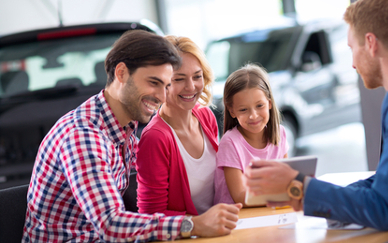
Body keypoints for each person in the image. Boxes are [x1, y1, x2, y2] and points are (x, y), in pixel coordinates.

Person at [245, 0, 388, 243]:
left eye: (352, 48)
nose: (352, 63)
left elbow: (384, 207)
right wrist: (315, 190)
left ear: (371, 43)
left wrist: (297, 187)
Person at [22, 30, 241, 242]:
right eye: (153, 83)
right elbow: (111, 224)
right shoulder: (84, 136)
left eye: (166, 86)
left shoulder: (125, 127)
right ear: (121, 73)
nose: (162, 97)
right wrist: (194, 225)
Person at [136, 35, 230, 216]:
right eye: (179, 79)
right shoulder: (155, 138)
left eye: (197, 76)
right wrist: (200, 224)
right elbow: (151, 216)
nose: (191, 86)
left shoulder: (205, 116)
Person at [214, 63, 288, 206]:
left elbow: (286, 179)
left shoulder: (281, 133)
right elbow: (240, 197)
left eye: (259, 106)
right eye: (243, 110)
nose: (253, 116)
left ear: (270, 103)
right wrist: (281, 194)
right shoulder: (230, 142)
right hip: (238, 218)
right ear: (232, 111)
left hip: (268, 211)